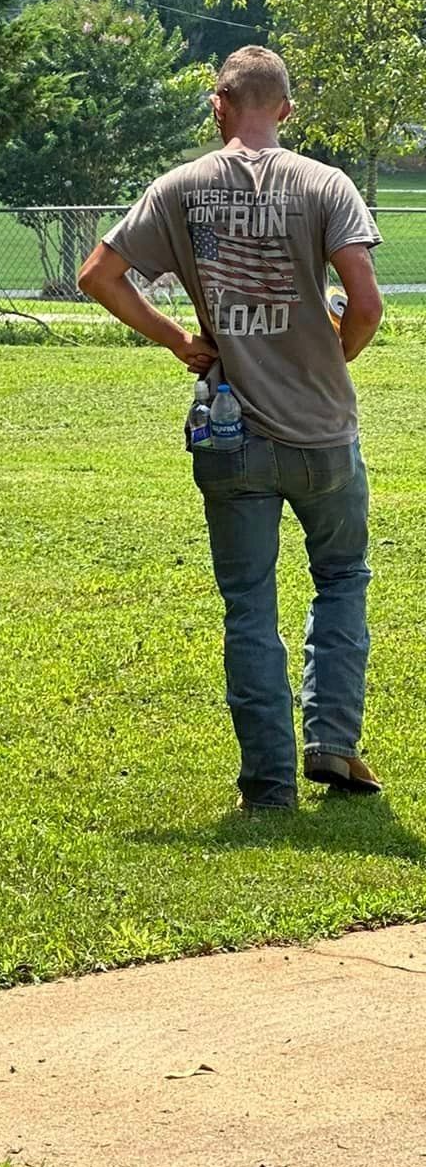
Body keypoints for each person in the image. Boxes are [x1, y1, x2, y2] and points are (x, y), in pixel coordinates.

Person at [78, 44, 385, 814]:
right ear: (284, 109)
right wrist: (330, 359)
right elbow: (367, 303)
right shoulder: (327, 185)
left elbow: (98, 276)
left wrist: (180, 339)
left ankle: (268, 785)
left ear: (218, 105)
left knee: (249, 604)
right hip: (322, 434)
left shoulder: (179, 188)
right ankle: (333, 744)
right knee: (341, 579)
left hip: (231, 435)